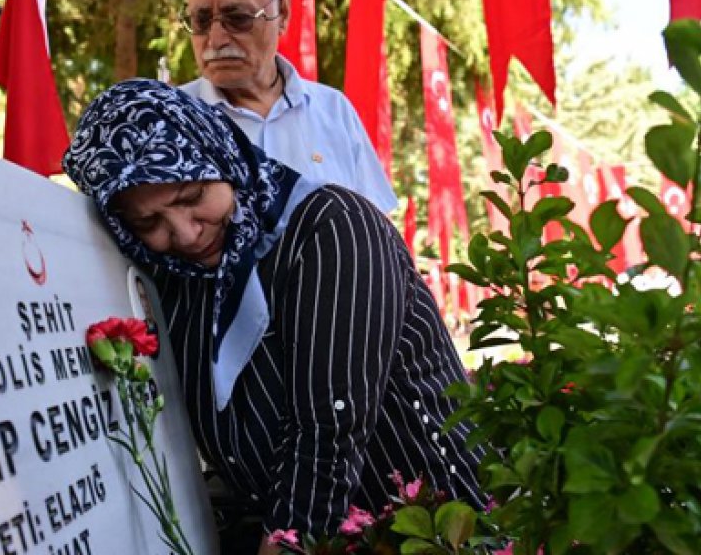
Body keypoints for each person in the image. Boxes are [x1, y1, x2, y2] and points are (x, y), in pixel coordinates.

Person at [63, 80, 487, 553]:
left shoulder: (332, 229)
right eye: (148, 223)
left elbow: (328, 431)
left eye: (192, 195)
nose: (183, 233)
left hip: (439, 533)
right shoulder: (184, 283)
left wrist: (283, 541)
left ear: (220, 155)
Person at [178, 0, 398, 213]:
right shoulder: (170, 121)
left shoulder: (332, 111)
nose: (216, 39)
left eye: (238, 18)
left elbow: (377, 231)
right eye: (201, 20)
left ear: (282, 13)